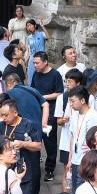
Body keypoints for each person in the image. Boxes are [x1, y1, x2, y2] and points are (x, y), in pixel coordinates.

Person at [0, 100, 43, 194]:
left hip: (22, 169)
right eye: (2, 115)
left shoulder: (28, 124)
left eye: (6, 115)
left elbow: (38, 146)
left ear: (15, 113)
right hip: (4, 170)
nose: (3, 118)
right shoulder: (1, 126)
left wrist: (23, 144)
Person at [29, 52, 64, 182]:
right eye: (34, 63)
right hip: (36, 112)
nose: (35, 65)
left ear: (45, 62)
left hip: (50, 112)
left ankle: (50, 168)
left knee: (50, 142)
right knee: (35, 138)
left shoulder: (55, 75)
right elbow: (32, 90)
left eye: (37, 63)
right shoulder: (35, 74)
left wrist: (43, 97)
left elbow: (59, 92)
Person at [68, 85, 97, 193]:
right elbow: (73, 137)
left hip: (87, 161)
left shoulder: (94, 117)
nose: (70, 104)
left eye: (73, 101)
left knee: (82, 192)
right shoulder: (74, 114)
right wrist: (70, 160)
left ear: (83, 100)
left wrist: (93, 149)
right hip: (75, 159)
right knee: (75, 191)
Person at [55, 68, 86, 184]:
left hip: (82, 142)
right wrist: (63, 120)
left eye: (70, 82)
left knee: (83, 171)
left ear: (78, 83)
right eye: (66, 81)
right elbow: (58, 121)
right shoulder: (61, 98)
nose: (67, 84)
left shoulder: (86, 98)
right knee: (67, 171)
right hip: (66, 141)